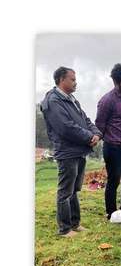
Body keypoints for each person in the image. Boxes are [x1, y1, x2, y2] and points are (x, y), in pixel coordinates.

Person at [40, 67, 102, 237]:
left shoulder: (71, 99)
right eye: (72, 79)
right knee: (65, 191)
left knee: (74, 190)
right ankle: (65, 229)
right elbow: (66, 127)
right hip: (67, 152)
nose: (76, 82)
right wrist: (89, 137)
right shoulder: (53, 101)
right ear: (61, 80)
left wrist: (96, 133)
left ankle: (75, 223)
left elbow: (85, 119)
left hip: (78, 150)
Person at [95, 63, 121, 219]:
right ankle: (111, 213)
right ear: (116, 83)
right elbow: (100, 125)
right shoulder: (107, 101)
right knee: (114, 179)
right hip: (113, 147)